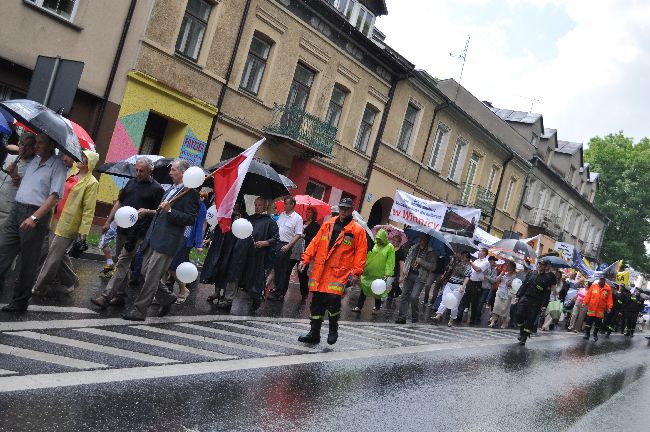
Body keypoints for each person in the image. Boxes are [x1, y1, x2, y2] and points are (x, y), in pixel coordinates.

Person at [122, 159, 199, 321]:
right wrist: (149, 211)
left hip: (167, 242)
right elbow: (161, 211)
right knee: (144, 271)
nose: (170, 172)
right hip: (154, 236)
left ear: (183, 173)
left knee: (151, 277)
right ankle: (167, 298)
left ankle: (140, 310)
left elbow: (190, 219)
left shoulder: (191, 194)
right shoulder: (171, 189)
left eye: (173, 170)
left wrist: (171, 211)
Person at [0, 134, 67, 312]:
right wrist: (14, 172)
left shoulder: (58, 166)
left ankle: (20, 301)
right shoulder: (35, 161)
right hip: (17, 209)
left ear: (51, 144)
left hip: (35, 214)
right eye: (35, 143)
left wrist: (34, 218)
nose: (36, 146)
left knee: (27, 261)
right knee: (3, 250)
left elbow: (54, 197)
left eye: (40, 143)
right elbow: (26, 184)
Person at [91, 157, 164, 309]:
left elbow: (159, 212)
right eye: (136, 170)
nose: (138, 173)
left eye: (141, 171)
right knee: (121, 260)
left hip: (138, 231)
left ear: (150, 171)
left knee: (123, 261)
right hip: (122, 228)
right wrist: (108, 221)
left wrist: (148, 211)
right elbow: (120, 202)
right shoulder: (131, 183)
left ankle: (106, 296)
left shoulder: (157, 189)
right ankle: (121, 295)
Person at [297, 197, 367, 345]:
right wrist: (305, 258)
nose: (343, 211)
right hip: (320, 271)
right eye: (341, 208)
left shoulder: (357, 231)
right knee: (316, 303)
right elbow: (315, 242)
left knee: (333, 301)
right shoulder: (328, 224)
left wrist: (356, 273)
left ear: (351, 211)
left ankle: (333, 328)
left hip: (338, 273)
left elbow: (361, 253)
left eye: (346, 209)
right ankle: (314, 333)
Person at [32, 150, 99, 296]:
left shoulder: (92, 183)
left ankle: (39, 286)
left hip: (69, 224)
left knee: (53, 256)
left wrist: (83, 232)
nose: (79, 160)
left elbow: (89, 210)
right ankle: (71, 281)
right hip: (56, 218)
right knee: (59, 254)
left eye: (83, 158)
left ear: (89, 163)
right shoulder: (72, 174)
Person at [166, 189, 207, 304]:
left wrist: (199, 244)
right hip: (174, 236)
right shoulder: (184, 199)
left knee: (171, 266)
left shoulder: (201, 207)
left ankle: (183, 289)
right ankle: (159, 294)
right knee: (166, 266)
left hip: (185, 240)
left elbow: (199, 226)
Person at [243, 197, 279, 313]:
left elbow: (275, 238)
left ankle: (257, 299)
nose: (257, 207)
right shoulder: (251, 219)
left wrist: (265, 243)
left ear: (265, 207)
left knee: (257, 279)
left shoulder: (270, 222)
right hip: (249, 253)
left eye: (259, 205)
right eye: (256, 205)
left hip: (261, 255)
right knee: (247, 277)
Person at [395, 233, 438, 324]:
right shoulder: (414, 247)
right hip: (410, 273)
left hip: (420, 277)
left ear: (427, 240)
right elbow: (407, 257)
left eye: (423, 239)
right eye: (420, 238)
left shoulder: (431, 252)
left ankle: (415, 316)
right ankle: (402, 317)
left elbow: (433, 267)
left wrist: (421, 261)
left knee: (414, 297)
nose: (421, 240)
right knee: (404, 295)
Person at [513, 258, 556, 345]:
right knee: (518, 315)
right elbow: (524, 285)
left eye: (542, 265)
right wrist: (518, 296)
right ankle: (522, 330)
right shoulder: (531, 273)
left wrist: (544, 305)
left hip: (536, 302)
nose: (540, 266)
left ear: (545, 267)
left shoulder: (547, 278)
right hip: (526, 298)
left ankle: (524, 338)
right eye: (539, 264)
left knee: (530, 319)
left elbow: (546, 293)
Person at [353, 228, 395, 314]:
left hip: (381, 273)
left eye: (380, 239)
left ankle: (377, 308)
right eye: (378, 239)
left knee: (378, 291)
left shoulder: (390, 247)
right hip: (370, 271)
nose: (379, 241)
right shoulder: (375, 245)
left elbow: (390, 261)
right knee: (364, 288)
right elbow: (369, 256)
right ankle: (359, 306)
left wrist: (387, 273)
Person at [270, 196, 303, 301]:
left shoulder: (297, 218)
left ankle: (280, 293)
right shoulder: (282, 215)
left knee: (282, 270)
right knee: (276, 268)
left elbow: (298, 234)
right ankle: (276, 288)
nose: (284, 205)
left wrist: (288, 246)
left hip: (285, 245)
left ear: (292, 205)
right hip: (276, 243)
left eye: (286, 203)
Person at [0, 132, 36, 228]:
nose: (23, 148)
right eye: (22, 144)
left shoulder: (34, 167)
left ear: (34, 148)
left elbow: (29, 193)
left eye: (28, 146)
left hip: (8, 211)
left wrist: (15, 176)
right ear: (19, 143)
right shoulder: (9, 158)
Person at [431, 251, 471, 327]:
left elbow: (467, 277)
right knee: (444, 300)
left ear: (467, 258)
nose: (463, 257)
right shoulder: (455, 262)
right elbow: (448, 269)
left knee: (454, 304)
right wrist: (451, 264)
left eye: (465, 256)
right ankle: (438, 315)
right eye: (462, 255)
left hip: (459, 285)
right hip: (450, 283)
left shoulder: (468, 266)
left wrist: (463, 286)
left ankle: (451, 319)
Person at [458, 248, 491, 325]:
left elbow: (477, 269)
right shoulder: (476, 260)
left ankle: (472, 318)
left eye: (480, 251)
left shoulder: (486, 262)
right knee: (464, 298)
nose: (478, 253)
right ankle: (459, 315)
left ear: (484, 253)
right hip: (470, 281)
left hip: (477, 283)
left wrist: (471, 262)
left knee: (474, 302)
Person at [295, 206, 320, 300]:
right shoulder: (302, 222)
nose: (307, 213)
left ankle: (304, 292)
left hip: (306, 251)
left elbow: (315, 239)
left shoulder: (316, 226)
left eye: (310, 212)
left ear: (313, 214)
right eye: (307, 211)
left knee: (302, 272)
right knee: (288, 269)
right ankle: (281, 291)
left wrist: (304, 236)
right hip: (296, 249)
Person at [581, 272, 613, 341]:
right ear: (599, 279)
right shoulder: (593, 285)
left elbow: (609, 299)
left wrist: (609, 307)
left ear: (605, 280)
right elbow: (588, 295)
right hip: (591, 308)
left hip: (600, 310)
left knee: (598, 323)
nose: (602, 280)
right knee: (588, 322)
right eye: (601, 279)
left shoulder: (608, 288)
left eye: (603, 279)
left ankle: (595, 334)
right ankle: (587, 334)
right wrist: (584, 302)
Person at [488, 261, 517, 329]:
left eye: (509, 266)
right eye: (507, 265)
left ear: (512, 268)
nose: (507, 267)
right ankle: (493, 321)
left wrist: (510, 283)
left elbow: (511, 285)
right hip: (500, 291)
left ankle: (504, 322)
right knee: (496, 307)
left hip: (508, 293)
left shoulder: (514, 276)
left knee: (504, 309)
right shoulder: (504, 273)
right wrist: (501, 274)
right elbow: (496, 280)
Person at [386, 232, 407, 300]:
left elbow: (401, 264)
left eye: (395, 241)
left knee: (394, 283)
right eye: (393, 240)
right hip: (388, 269)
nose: (393, 242)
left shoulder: (401, 251)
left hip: (396, 270)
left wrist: (401, 275)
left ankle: (389, 296)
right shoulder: (389, 248)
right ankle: (398, 291)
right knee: (391, 284)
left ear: (399, 243)